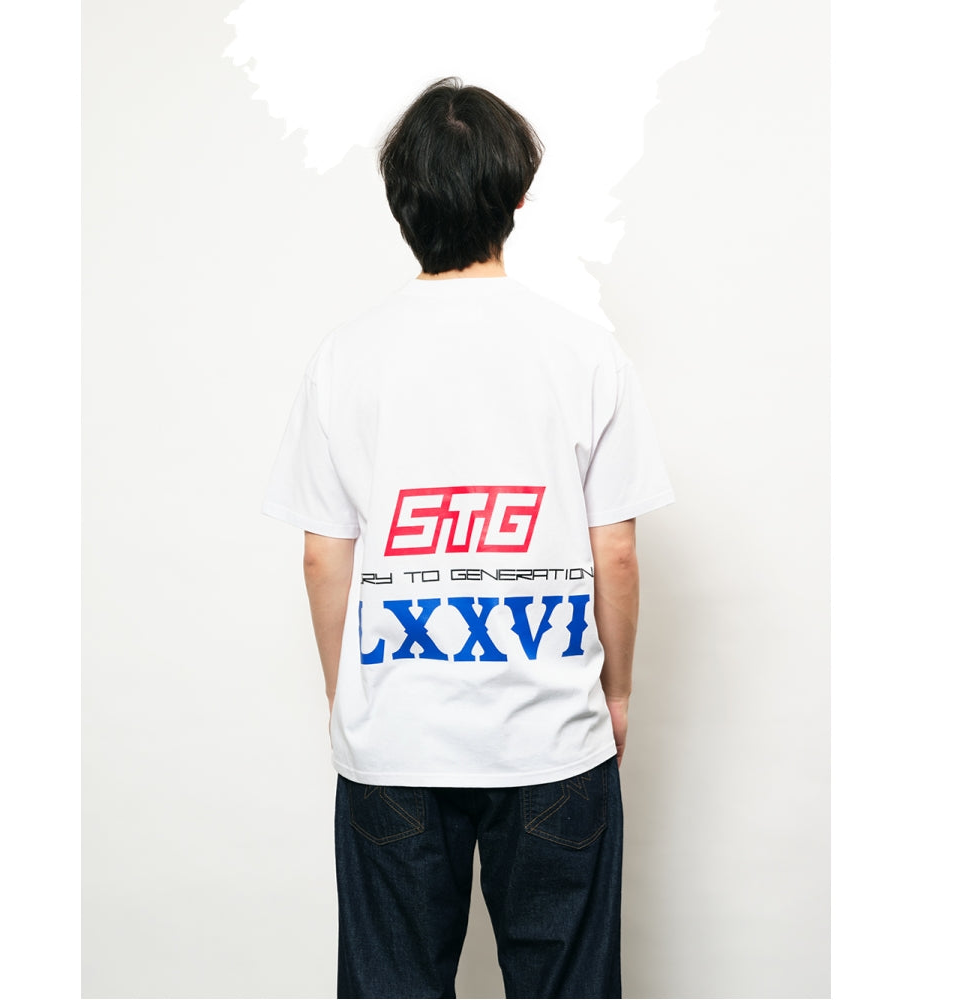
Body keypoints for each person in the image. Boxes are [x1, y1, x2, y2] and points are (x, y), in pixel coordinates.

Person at [262, 77, 674, 1000]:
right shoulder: (585, 353)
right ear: (516, 196)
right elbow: (616, 552)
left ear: (401, 201)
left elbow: (322, 555)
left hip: (396, 738)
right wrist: (616, 693)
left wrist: (346, 693)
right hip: (554, 737)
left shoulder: (345, 358)